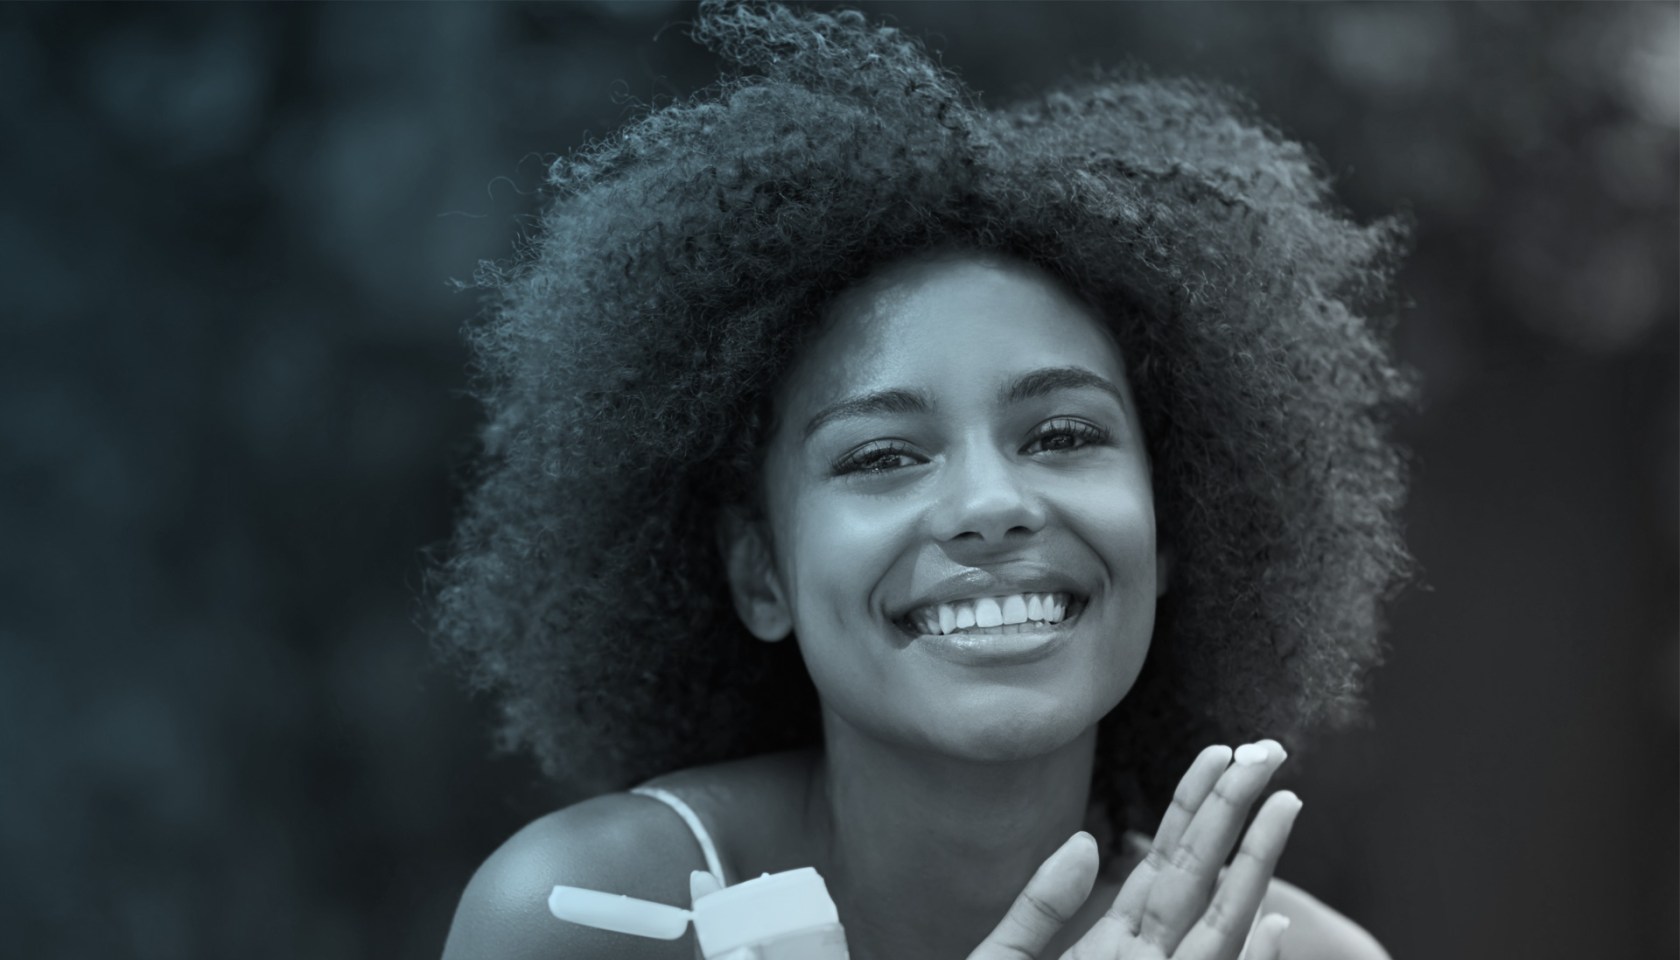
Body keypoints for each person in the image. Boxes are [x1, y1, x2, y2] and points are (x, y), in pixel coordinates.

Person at [433, 4, 1411, 958]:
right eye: (882, 456)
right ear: (761, 572)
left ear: (1167, 535)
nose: (990, 504)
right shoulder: (581, 918)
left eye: (1064, 434)